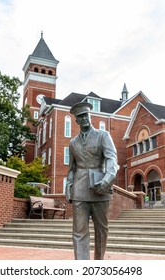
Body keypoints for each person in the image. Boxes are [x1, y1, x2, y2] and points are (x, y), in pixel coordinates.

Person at [65, 101, 119, 260]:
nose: (85, 119)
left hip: (100, 187)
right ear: (77, 121)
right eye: (81, 117)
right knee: (79, 231)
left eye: (86, 115)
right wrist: (68, 186)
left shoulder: (103, 135)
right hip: (80, 189)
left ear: (90, 116)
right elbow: (72, 169)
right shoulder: (73, 143)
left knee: (101, 229)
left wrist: (108, 179)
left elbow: (112, 159)